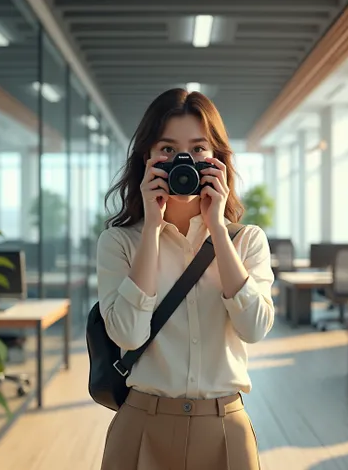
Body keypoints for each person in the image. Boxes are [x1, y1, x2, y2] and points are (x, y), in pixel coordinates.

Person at [97, 88, 274, 470]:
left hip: (225, 426)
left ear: (218, 160)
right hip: (142, 424)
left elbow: (255, 328)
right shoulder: (119, 242)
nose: (183, 162)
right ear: (147, 159)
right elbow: (127, 335)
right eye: (167, 149)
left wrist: (217, 229)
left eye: (198, 149)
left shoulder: (247, 241)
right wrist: (151, 231)